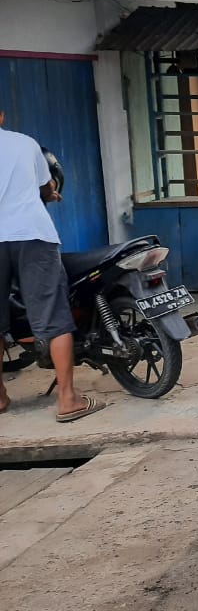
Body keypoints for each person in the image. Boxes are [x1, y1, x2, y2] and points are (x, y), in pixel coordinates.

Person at [0, 108, 104, 422]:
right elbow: (46, 187)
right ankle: (68, 400)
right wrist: (51, 194)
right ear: (1, 116)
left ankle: (0, 397)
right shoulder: (25, 144)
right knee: (53, 316)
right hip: (33, 235)